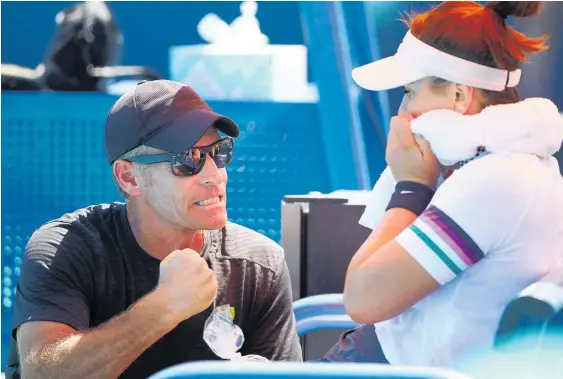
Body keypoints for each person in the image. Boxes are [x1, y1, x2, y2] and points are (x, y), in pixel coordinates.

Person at [10, 80, 302, 379]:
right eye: (188, 159)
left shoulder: (259, 265)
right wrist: (163, 308)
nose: (215, 175)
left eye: (219, 151)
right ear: (129, 178)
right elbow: (42, 375)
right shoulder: (65, 248)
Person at [342, 0, 563, 369]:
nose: (403, 112)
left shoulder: (492, 183)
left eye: (410, 92)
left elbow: (363, 299)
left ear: (459, 96)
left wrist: (411, 187)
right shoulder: (523, 169)